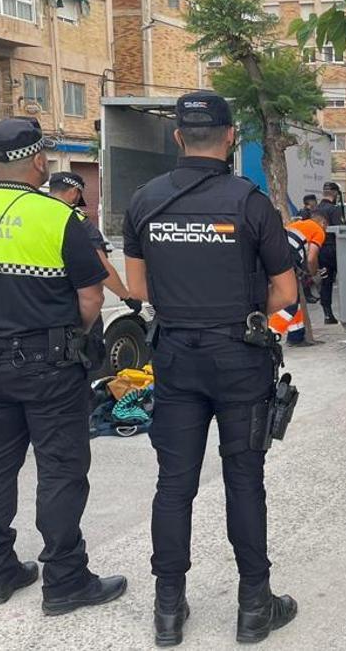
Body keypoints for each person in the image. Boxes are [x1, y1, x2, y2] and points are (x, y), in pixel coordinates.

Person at [123, 92, 299, 646]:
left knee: (173, 485)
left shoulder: (144, 201)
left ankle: (168, 612)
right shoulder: (250, 202)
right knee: (244, 481)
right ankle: (254, 609)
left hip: (175, 358)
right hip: (239, 359)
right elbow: (287, 293)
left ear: (177, 137)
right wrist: (245, 316)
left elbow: (137, 289)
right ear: (229, 138)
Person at [0, 118, 127, 614]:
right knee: (61, 469)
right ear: (39, 161)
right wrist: (68, 339)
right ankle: (65, 581)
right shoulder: (56, 218)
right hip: (50, 366)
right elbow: (90, 296)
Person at [49, 172, 143, 370]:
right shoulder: (75, 220)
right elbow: (100, 265)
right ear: (75, 192)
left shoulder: (34, 215)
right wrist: (126, 295)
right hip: (73, 311)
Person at [271, 214, 329, 346]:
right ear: (323, 223)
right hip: (286, 259)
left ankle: (296, 336)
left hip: (274, 255)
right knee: (289, 302)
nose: (326, 230)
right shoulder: (318, 230)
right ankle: (270, 334)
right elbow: (311, 257)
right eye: (326, 227)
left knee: (293, 298)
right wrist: (314, 274)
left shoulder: (297, 225)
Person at [314, 182, 342, 324]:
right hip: (334, 249)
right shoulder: (334, 210)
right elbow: (340, 231)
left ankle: (327, 314)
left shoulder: (316, 210)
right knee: (344, 281)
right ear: (335, 194)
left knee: (326, 282)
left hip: (319, 249)